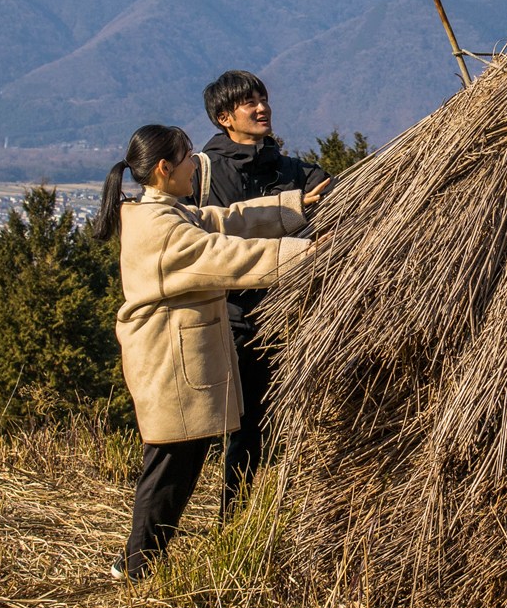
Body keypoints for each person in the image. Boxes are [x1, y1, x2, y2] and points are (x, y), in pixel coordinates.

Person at [91, 123, 324, 581]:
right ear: (164, 168)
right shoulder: (161, 229)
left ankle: (140, 561)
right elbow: (225, 254)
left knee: (179, 458)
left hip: (176, 352)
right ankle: (137, 565)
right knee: (170, 462)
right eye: (187, 157)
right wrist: (308, 255)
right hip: (169, 357)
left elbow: (224, 219)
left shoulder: (163, 212)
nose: (196, 165)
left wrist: (291, 206)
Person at [192, 70, 331, 482]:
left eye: (264, 98)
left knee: (270, 429)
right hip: (228, 318)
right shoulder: (203, 174)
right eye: (248, 102)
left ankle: (250, 522)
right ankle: (221, 524)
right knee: (221, 428)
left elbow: (336, 215)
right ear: (224, 117)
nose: (261, 107)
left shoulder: (297, 171)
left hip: (289, 319)